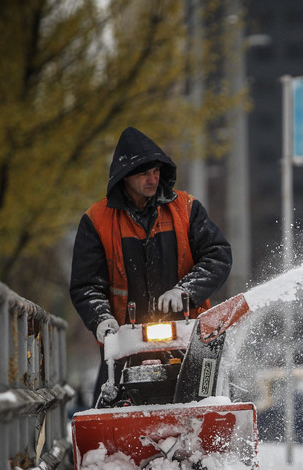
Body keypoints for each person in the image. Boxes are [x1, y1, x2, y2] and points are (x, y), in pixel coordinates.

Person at [69, 127, 232, 404]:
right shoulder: (97, 220)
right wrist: (102, 320)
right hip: (124, 343)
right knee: (107, 412)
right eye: (144, 173)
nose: (153, 179)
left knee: (206, 403)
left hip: (188, 337)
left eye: (156, 171)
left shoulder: (186, 209)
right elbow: (87, 285)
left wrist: (185, 291)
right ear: (125, 177)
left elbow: (218, 255)